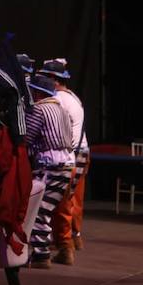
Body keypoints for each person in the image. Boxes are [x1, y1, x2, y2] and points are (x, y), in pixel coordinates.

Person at [24, 73, 76, 268]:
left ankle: (41, 255)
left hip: (50, 165)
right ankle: (42, 252)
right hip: (66, 164)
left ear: (38, 93)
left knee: (38, 210)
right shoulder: (62, 110)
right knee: (46, 210)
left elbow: (27, 138)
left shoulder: (39, 109)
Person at [39, 58, 88, 263]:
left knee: (61, 201)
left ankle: (64, 244)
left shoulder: (58, 100)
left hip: (70, 153)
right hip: (80, 151)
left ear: (53, 78)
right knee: (71, 200)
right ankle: (73, 238)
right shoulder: (73, 97)